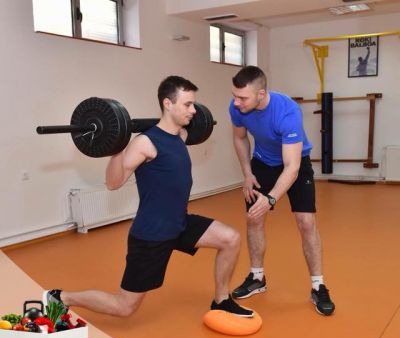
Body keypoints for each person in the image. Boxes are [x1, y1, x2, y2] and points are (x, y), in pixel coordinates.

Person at [43, 76, 254, 320]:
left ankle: (221, 300)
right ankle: (61, 297)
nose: (194, 110)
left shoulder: (181, 136)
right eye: (187, 104)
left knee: (230, 239)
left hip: (179, 223)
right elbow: (113, 183)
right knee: (124, 307)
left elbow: (198, 128)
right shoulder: (145, 143)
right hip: (152, 234)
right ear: (168, 104)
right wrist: (115, 147)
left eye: (193, 104)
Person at [229, 66, 335, 316]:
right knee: (254, 217)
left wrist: (271, 198)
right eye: (234, 96)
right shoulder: (237, 108)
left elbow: (292, 167)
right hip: (262, 162)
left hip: (295, 163)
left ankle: (318, 285)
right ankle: (257, 277)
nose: (236, 102)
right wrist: (247, 173)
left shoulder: (287, 111)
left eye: (242, 98)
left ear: (261, 94)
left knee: (306, 222)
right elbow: (240, 138)